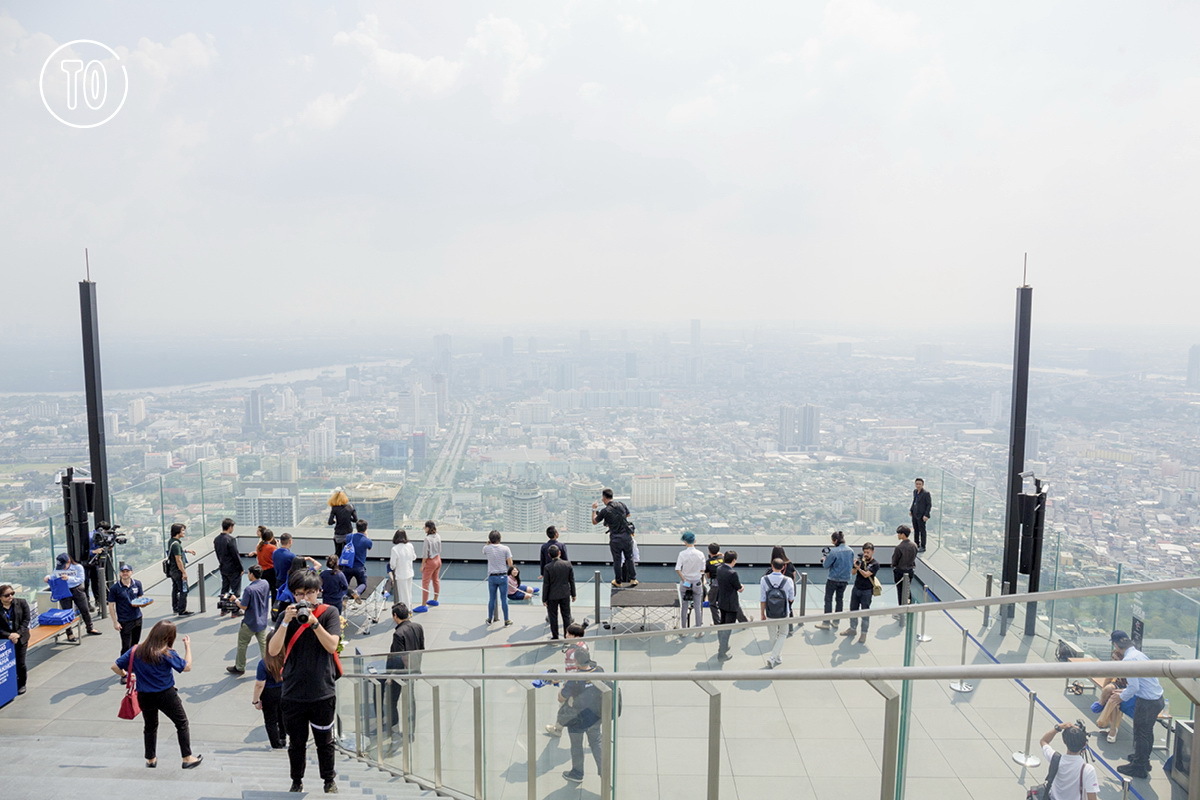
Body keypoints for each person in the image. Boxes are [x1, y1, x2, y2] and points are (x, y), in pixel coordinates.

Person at [267, 570, 343, 794]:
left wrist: (314, 622)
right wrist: (285, 622)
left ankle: (328, 780)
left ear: (319, 592)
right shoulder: (286, 616)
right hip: (293, 692)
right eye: (299, 594)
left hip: (322, 691)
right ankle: (296, 781)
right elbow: (272, 650)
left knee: (325, 741)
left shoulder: (329, 613)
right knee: (296, 743)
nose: (304, 599)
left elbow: (331, 646)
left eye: (309, 593)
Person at [111, 620, 202, 770]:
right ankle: (187, 757)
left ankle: (150, 758)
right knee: (181, 723)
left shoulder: (136, 650)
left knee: (150, 726)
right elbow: (187, 667)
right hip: (166, 694)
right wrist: (188, 647)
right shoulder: (166, 653)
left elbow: (115, 666)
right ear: (168, 637)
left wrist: (126, 674)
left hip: (144, 695)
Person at [1114, 635, 1166, 779]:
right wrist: (1124, 692)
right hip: (1157, 698)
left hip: (1147, 702)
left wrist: (1120, 697)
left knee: (1141, 733)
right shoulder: (1139, 654)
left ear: (1116, 646)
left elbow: (1134, 687)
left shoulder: (1128, 660)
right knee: (1147, 732)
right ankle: (1143, 760)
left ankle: (1139, 767)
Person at [559, 649, 606, 784]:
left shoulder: (575, 678)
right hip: (595, 715)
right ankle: (605, 773)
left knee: (576, 745)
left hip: (577, 718)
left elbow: (561, 697)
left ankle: (577, 773)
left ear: (576, 662)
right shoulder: (599, 670)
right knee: (596, 743)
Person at [385, 602, 425, 740]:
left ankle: (394, 729)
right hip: (413, 670)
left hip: (401, 674)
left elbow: (399, 656)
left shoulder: (398, 633)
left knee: (392, 701)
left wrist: (391, 676)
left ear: (395, 616)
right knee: (410, 702)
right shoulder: (418, 627)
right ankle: (411, 732)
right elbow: (421, 649)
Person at [545, 623, 590, 737]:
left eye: (569, 634)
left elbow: (572, 671)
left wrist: (564, 683)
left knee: (565, 707)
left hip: (573, 684)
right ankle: (558, 728)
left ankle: (558, 729)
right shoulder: (582, 646)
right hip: (579, 682)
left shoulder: (574, 652)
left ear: (577, 637)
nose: (566, 635)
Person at [227, 565, 272, 676]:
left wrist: (235, 600)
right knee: (264, 645)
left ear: (252, 574)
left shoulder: (249, 589)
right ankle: (269, 667)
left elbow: (243, 607)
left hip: (250, 622)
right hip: (262, 621)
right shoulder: (265, 583)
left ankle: (240, 667)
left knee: (242, 644)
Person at [1038, 721, 1100, 799]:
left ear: (1064, 741)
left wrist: (1059, 727)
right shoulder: (1088, 770)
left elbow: (1044, 741)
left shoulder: (1055, 758)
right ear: (1084, 744)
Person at [45, 552, 100, 638]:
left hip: (77, 589)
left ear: (69, 561)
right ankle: (69, 633)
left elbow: (81, 579)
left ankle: (90, 627)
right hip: (64, 590)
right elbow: (53, 576)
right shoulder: (58, 569)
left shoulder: (78, 567)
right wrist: (48, 577)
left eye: (64, 565)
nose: (63, 568)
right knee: (67, 612)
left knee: (84, 609)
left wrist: (69, 578)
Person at [592, 488, 636, 587]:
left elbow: (594, 521)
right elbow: (628, 514)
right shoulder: (621, 504)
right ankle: (633, 579)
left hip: (615, 538)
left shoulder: (605, 511)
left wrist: (594, 510)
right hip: (626, 537)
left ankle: (618, 581)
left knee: (617, 560)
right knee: (629, 558)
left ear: (604, 497)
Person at [759, 557, 795, 668]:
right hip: (784, 612)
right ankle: (774, 657)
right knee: (783, 634)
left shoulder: (764, 579)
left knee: (772, 636)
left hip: (770, 612)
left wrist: (762, 614)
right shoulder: (788, 580)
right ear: (783, 567)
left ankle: (775, 656)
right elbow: (791, 598)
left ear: (772, 566)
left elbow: (763, 599)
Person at [107, 562, 146, 660]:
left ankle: (133, 665)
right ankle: (123, 668)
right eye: (123, 571)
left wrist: (142, 603)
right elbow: (111, 606)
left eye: (127, 571)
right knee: (126, 646)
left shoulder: (137, 584)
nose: (125, 573)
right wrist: (115, 622)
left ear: (131, 572)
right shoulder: (115, 588)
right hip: (125, 620)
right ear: (120, 573)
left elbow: (140, 597)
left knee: (135, 645)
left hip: (137, 618)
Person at [842, 543, 879, 644]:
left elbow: (867, 575)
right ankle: (852, 629)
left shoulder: (875, 564)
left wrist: (859, 569)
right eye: (865, 552)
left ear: (872, 552)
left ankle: (863, 633)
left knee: (865, 613)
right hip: (856, 588)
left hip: (867, 591)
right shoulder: (860, 561)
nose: (866, 554)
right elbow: (853, 573)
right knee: (853, 610)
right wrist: (854, 566)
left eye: (868, 552)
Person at [817, 531, 853, 630]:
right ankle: (836, 622)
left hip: (833, 579)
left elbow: (826, 565)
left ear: (836, 540)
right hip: (845, 580)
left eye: (833, 541)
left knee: (828, 600)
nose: (832, 543)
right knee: (839, 600)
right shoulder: (850, 551)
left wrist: (824, 559)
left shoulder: (834, 551)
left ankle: (826, 622)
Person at [0, 583, 31, 695]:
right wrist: (9, 635)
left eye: (12, 593)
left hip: (21, 637)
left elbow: (26, 620)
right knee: (6, 664)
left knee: (20, 662)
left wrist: (17, 634)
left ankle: (21, 684)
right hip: (5, 639)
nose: (10, 597)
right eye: (7, 595)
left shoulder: (21, 603)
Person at [252, 649, 287, 750]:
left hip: (268, 693)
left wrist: (255, 701)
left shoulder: (263, 663)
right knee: (282, 716)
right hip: (283, 690)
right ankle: (283, 737)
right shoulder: (285, 660)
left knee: (270, 720)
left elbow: (259, 684)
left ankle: (276, 744)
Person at [714, 550, 744, 661]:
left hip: (722, 601)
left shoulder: (719, 569)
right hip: (731, 604)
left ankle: (723, 646)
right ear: (734, 560)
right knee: (728, 628)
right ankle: (722, 653)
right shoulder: (732, 573)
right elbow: (739, 588)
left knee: (722, 626)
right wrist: (743, 587)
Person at [542, 544, 575, 640]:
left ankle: (555, 636)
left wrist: (544, 598)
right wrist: (573, 594)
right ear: (559, 553)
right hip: (565, 593)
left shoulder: (547, 567)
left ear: (549, 555)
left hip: (552, 595)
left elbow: (546, 584)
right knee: (566, 616)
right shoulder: (568, 564)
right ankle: (567, 635)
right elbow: (571, 580)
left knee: (553, 616)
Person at [674, 532, 706, 629]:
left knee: (684, 606)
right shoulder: (700, 554)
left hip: (686, 582)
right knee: (697, 607)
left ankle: (683, 629)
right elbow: (702, 569)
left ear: (685, 542)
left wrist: (684, 579)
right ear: (695, 541)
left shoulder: (682, 554)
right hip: (696, 581)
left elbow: (677, 569)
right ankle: (698, 629)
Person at [482, 530, 514, 626]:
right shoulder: (505, 549)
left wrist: (488, 543)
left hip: (492, 576)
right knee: (503, 599)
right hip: (502, 576)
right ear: (500, 538)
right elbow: (510, 564)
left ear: (490, 539)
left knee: (492, 598)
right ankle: (506, 620)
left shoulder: (486, 548)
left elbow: (484, 550)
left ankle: (489, 619)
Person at [213, 518, 244, 614]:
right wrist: (241, 568)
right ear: (230, 527)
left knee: (225, 589)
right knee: (235, 590)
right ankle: (235, 611)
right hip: (233, 568)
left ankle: (223, 609)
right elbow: (235, 555)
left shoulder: (217, 539)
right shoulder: (230, 539)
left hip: (223, 567)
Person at [167, 523, 197, 617]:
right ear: (177, 532)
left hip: (172, 570)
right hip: (178, 571)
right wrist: (184, 572)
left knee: (175, 589)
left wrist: (187, 551)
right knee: (184, 590)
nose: (184, 532)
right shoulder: (176, 545)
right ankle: (182, 610)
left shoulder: (172, 541)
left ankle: (175, 607)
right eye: (182, 530)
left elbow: (176, 552)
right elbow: (178, 560)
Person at [340, 519, 373, 597]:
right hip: (359, 567)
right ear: (366, 528)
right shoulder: (367, 541)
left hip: (347, 565)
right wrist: (366, 536)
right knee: (363, 584)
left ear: (356, 527)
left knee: (344, 584)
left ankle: (344, 596)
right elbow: (369, 547)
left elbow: (345, 541)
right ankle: (357, 592)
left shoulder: (349, 537)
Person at [891, 525, 918, 614]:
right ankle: (909, 607)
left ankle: (901, 611)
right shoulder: (914, 545)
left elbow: (895, 560)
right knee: (907, 589)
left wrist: (893, 565)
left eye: (899, 534)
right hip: (910, 570)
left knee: (900, 591)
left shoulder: (899, 547)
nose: (898, 535)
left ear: (903, 534)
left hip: (900, 571)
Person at [417, 520, 442, 611]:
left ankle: (423, 605)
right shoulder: (438, 536)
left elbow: (425, 554)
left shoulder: (427, 539)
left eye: (425, 527)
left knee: (425, 583)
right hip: (438, 559)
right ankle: (435, 599)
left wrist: (422, 565)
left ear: (427, 528)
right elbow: (439, 549)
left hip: (430, 561)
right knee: (436, 580)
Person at [388, 529, 416, 607]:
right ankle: (409, 609)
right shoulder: (410, 545)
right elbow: (414, 557)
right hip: (410, 572)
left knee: (403, 595)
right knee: (409, 593)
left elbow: (392, 565)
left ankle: (405, 611)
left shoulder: (395, 549)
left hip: (401, 575)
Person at [327, 487, 357, 556]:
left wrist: (335, 521)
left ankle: (337, 565)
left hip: (338, 533)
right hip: (348, 533)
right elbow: (355, 520)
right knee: (348, 552)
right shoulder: (351, 507)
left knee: (338, 553)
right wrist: (349, 518)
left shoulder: (334, 508)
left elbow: (330, 522)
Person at [910, 477, 933, 552]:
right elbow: (914, 502)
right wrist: (911, 510)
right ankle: (916, 544)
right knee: (916, 530)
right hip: (915, 514)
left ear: (923, 485)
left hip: (922, 515)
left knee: (922, 531)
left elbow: (929, 505)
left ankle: (923, 546)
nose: (918, 485)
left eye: (920, 484)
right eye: (917, 484)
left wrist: (926, 515)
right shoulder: (915, 492)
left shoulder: (926, 493)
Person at [256, 527, 278, 597]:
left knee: (264, 591)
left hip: (262, 571)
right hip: (271, 570)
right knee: (274, 590)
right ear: (271, 537)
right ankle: (274, 608)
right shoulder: (272, 547)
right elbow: (277, 557)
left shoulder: (259, 546)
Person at [704, 543, 723, 625]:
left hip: (715, 584)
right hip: (725, 583)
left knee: (712, 603)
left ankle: (717, 622)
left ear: (709, 551)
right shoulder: (723, 558)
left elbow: (708, 576)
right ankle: (743, 621)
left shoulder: (708, 562)